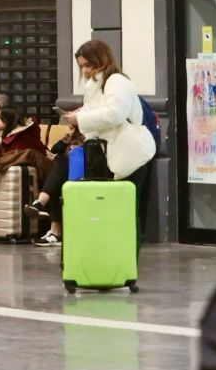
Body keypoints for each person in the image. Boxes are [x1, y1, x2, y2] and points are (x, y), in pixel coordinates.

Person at [55, 39, 155, 237]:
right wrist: (79, 118)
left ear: (101, 60)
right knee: (116, 215)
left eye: (88, 65)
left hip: (129, 157)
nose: (84, 71)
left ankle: (125, 263)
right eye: (82, 66)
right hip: (112, 157)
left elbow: (114, 114)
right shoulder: (96, 87)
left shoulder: (117, 82)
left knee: (126, 216)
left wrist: (80, 118)